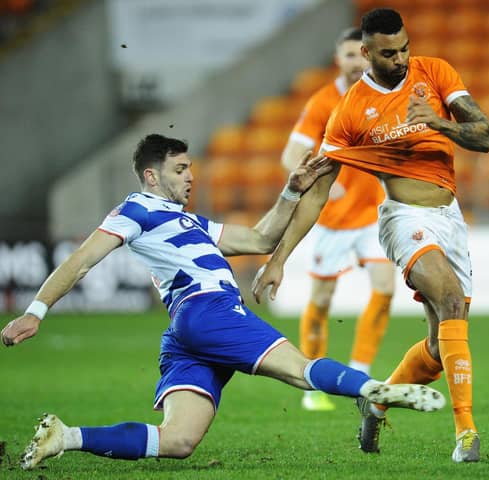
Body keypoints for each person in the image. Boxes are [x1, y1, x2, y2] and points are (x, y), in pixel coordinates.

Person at [1, 134, 445, 471]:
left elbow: (260, 237)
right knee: (302, 371)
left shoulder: (187, 219)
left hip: (187, 332)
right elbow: (80, 260)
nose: (190, 176)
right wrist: (36, 311)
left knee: (177, 441)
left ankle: (66, 437)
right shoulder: (134, 210)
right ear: (152, 176)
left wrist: (291, 191)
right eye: (179, 170)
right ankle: (374, 391)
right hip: (209, 309)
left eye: (190, 168)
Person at [252, 8, 489, 463]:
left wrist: (438, 122)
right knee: (450, 297)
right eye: (388, 53)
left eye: (404, 48)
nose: (401, 58)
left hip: (450, 216)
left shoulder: (435, 72)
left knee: (441, 349)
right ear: (366, 53)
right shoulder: (348, 113)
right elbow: (316, 194)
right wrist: (279, 258)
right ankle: (466, 434)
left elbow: (484, 136)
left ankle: (377, 401)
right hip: (403, 217)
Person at [281, 27, 396, 412]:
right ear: (338, 59)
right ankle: (311, 384)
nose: (355, 61)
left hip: (373, 213)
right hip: (333, 219)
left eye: (360, 54)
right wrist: (315, 183)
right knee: (323, 298)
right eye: (348, 54)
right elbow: (290, 153)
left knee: (384, 288)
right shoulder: (323, 101)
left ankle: (359, 373)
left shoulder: (381, 94)